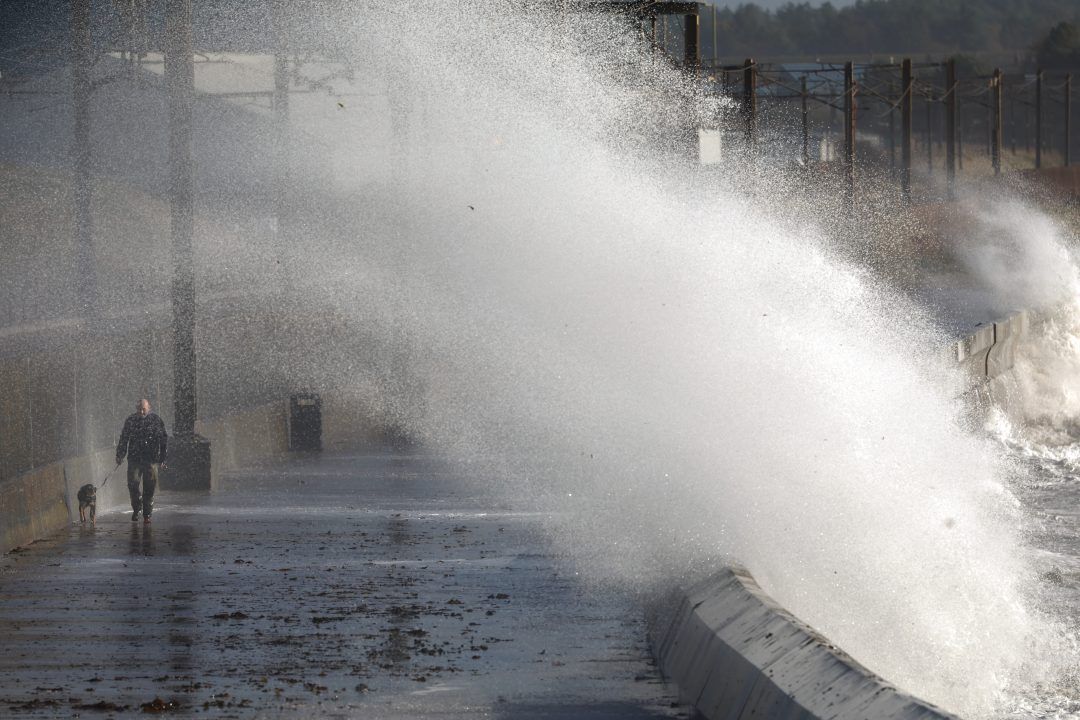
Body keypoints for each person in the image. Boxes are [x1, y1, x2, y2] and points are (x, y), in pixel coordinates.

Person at [116, 399, 168, 524]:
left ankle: (147, 514)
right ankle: (137, 508)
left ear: (149, 407)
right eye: (139, 409)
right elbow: (124, 438)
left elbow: (163, 440)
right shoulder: (131, 420)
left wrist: (163, 458)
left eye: (144, 409)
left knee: (149, 487)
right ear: (136, 408)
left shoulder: (156, 420)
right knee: (133, 484)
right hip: (135, 458)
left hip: (151, 459)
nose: (141, 411)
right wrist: (120, 454)